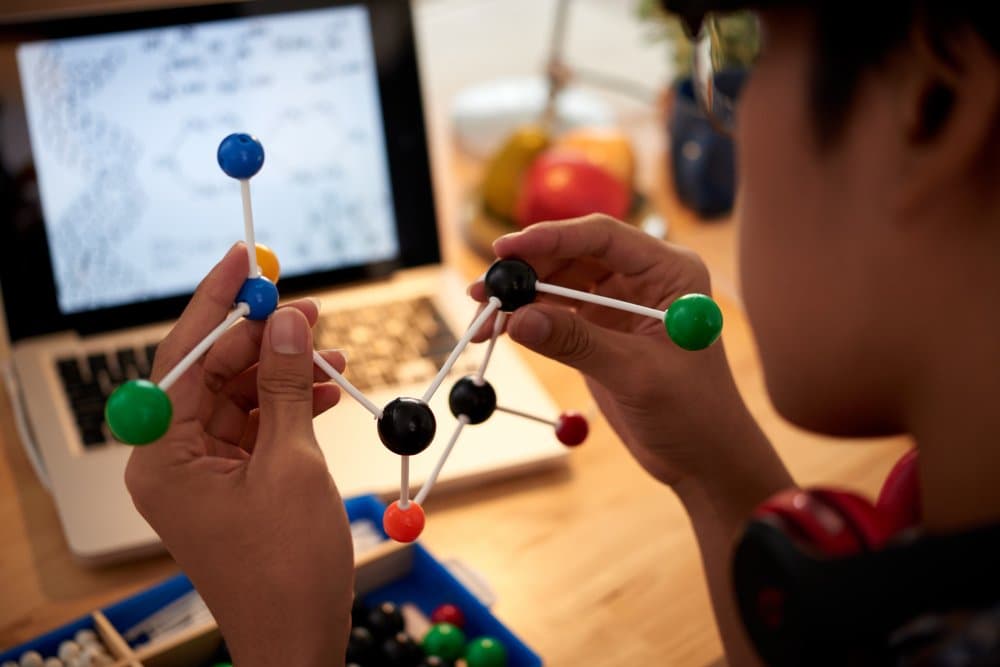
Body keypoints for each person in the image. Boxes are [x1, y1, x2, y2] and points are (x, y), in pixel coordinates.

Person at [124, 1, 1000, 665]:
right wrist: (717, 467)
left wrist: (287, 648)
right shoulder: (932, 519)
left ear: (931, 101)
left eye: (750, 58)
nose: (731, 109)